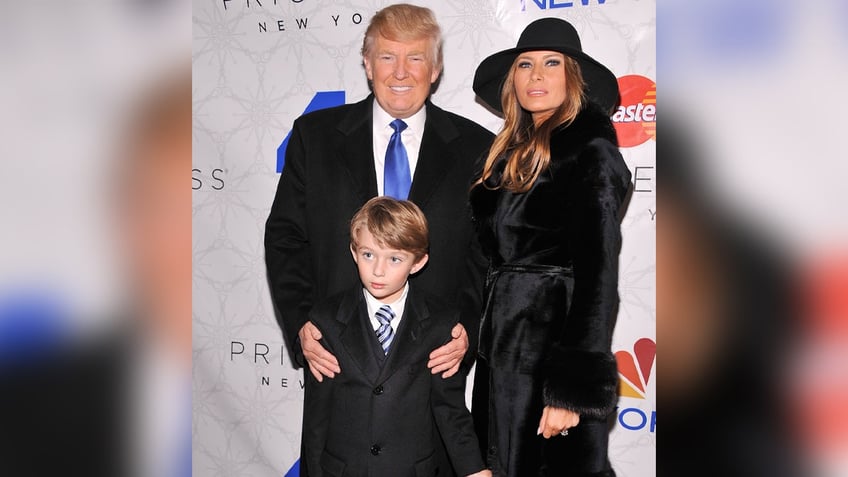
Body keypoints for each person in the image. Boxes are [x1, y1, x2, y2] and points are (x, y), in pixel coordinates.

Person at [265, 5, 491, 401]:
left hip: (433, 369)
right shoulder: (314, 137)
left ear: (435, 70)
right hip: (335, 362)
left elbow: (486, 254)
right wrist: (302, 323)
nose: (400, 72)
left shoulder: (477, 148)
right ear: (368, 64)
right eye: (387, 57)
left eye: (415, 58)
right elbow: (285, 237)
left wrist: (467, 330)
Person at [469, 18, 632, 476]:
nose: (535, 75)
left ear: (572, 77)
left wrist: (570, 392)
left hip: (551, 351)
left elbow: (599, 279)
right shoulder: (504, 157)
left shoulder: (591, 152)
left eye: (550, 63)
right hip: (500, 349)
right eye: (524, 64)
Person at [302, 197, 490, 477]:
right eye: (368, 254)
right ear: (354, 252)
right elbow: (317, 419)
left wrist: (475, 470)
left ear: (418, 262)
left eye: (394, 258)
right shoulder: (325, 321)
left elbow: (450, 410)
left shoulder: (441, 324)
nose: (378, 270)